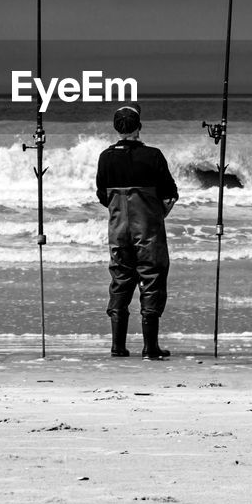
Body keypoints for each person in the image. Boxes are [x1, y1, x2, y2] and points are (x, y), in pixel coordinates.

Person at [95, 103, 178, 359]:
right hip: (149, 231)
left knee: (120, 281)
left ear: (116, 128)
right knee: (151, 280)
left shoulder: (105, 157)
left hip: (118, 232)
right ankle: (150, 347)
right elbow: (170, 194)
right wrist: (159, 214)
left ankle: (117, 346)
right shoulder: (153, 156)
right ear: (139, 127)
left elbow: (102, 195)